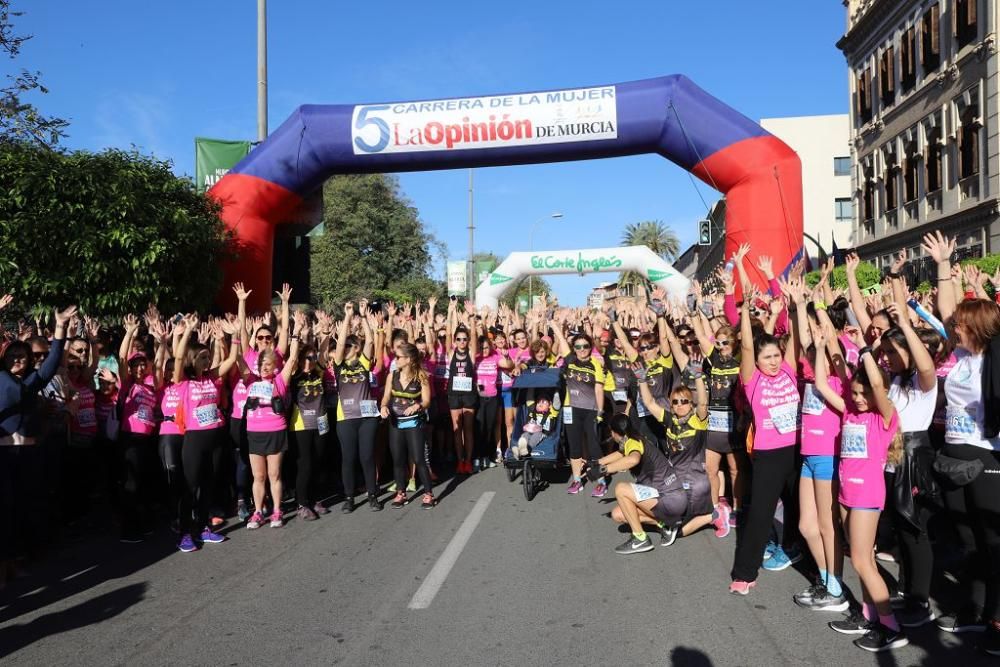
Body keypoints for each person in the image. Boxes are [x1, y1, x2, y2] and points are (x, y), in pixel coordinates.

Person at [923, 231, 1000, 654]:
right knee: (967, 539)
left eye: (963, 325)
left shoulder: (994, 356)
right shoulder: (961, 355)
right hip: (952, 453)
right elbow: (948, 310)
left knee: (993, 542)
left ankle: (997, 616)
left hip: (987, 456)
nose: (955, 328)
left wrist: (985, 287)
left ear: (981, 328)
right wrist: (941, 266)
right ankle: (971, 609)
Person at [814, 329, 907, 653]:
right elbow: (823, 385)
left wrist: (866, 351)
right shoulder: (851, 412)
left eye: (862, 394)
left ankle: (891, 626)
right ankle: (870, 616)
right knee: (861, 557)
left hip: (868, 496)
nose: (857, 398)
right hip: (846, 495)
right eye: (854, 393)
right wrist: (823, 347)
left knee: (862, 562)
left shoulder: (884, 418)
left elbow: (878, 385)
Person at [729, 272, 801, 596]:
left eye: (775, 355)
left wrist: (794, 305)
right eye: (766, 357)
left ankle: (799, 553)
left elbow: (795, 339)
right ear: (756, 361)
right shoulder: (753, 380)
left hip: (798, 451)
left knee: (801, 509)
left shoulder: (788, 368)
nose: (773, 362)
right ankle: (745, 572)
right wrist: (744, 308)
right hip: (769, 456)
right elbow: (747, 343)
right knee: (759, 515)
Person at [0, 303, 73, 588]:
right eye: (14, 355)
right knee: (4, 509)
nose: (19, 359)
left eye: (24, 355)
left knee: (26, 506)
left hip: (30, 454)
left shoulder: (32, 381)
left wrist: (60, 327)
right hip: (4, 455)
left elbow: (53, 360)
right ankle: (4, 566)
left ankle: (18, 559)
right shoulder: (1, 378)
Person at [172, 314, 239, 552]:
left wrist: (235, 335)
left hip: (215, 438)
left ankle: (202, 528)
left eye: (207, 357)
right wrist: (188, 332)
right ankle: (184, 533)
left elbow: (231, 358)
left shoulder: (212, 378)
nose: (206, 360)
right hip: (195, 440)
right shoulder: (184, 381)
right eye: (202, 357)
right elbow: (178, 357)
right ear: (193, 360)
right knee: (190, 487)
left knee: (209, 486)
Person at [239, 311, 301, 529]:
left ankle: (276, 511)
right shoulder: (250, 380)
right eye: (261, 364)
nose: (265, 367)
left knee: (274, 474)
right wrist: (233, 338)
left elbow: (292, 358)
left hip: (275, 430)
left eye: (268, 364)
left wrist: (296, 335)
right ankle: (257, 512)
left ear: (274, 365)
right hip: (254, 432)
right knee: (258, 476)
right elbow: (239, 357)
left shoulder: (280, 380)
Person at [332, 302, 381, 512]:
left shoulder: (362, 363)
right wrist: (347, 316)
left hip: (367, 417)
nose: (349, 349)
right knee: (348, 458)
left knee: (367, 456)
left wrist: (363, 317)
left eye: (354, 346)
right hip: (346, 418)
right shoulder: (338, 365)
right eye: (348, 347)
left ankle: (372, 495)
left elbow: (370, 340)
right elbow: (341, 343)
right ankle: (349, 497)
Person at [552, 329, 608, 495]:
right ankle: (577, 480)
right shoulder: (569, 360)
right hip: (571, 409)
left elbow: (599, 389)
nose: (582, 349)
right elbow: (562, 342)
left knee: (593, 446)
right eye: (578, 346)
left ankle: (601, 481)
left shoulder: (595, 364)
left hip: (590, 410)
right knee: (574, 446)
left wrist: (600, 411)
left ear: (590, 347)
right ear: (574, 348)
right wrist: (555, 326)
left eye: (585, 346)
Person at [380, 342, 435, 509]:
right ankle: (401, 493)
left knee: (418, 459)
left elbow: (427, 401)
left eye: (398, 357)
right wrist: (383, 406)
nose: (395, 360)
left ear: (409, 359)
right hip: (396, 423)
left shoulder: (422, 377)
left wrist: (418, 406)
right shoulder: (392, 376)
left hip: (414, 423)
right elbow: (386, 397)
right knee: (398, 460)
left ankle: (428, 494)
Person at [445, 301, 478, 474]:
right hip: (454, 394)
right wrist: (451, 312)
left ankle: (469, 460)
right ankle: (460, 460)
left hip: (469, 395)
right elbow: (449, 333)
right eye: (459, 339)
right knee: (457, 430)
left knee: (468, 429)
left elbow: (474, 336)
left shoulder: (471, 353)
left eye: (464, 339)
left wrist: (471, 317)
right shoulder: (451, 352)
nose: (462, 341)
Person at [474, 332, 513, 471]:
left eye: (486, 347)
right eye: (481, 348)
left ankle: (486, 456)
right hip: (479, 398)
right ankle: (477, 458)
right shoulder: (475, 358)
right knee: (479, 428)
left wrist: (507, 356)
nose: (484, 350)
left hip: (493, 397)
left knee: (490, 428)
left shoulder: (495, 357)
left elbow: (509, 365)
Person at [511, 393, 558, 459]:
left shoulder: (552, 413)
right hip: (530, 431)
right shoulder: (532, 412)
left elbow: (557, 404)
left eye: (544, 402)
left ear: (550, 405)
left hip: (543, 433)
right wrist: (531, 388)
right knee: (525, 435)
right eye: (538, 402)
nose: (540, 404)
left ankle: (527, 448)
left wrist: (556, 392)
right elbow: (529, 400)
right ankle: (520, 448)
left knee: (537, 435)